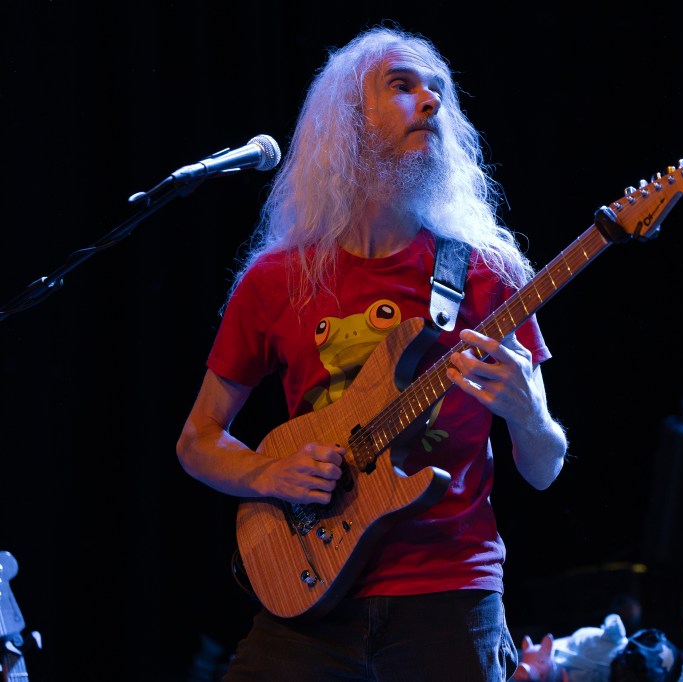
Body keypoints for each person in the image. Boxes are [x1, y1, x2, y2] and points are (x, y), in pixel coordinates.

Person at [175, 22, 568, 682]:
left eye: (437, 89)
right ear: (346, 122)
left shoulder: (488, 275)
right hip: (310, 586)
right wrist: (269, 475)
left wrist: (529, 415)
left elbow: (544, 469)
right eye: (402, 85)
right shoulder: (276, 281)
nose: (431, 100)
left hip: (450, 594)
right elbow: (198, 440)